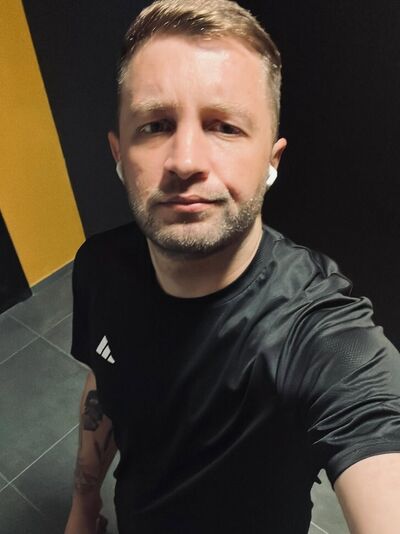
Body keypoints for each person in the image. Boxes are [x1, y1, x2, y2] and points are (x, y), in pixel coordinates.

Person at [65, 0, 400, 532]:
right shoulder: (97, 267)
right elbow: (102, 385)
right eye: (155, 125)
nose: (185, 161)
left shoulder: (316, 331)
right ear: (118, 155)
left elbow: (375, 426)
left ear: (272, 161)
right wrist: (84, 506)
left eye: (223, 126)